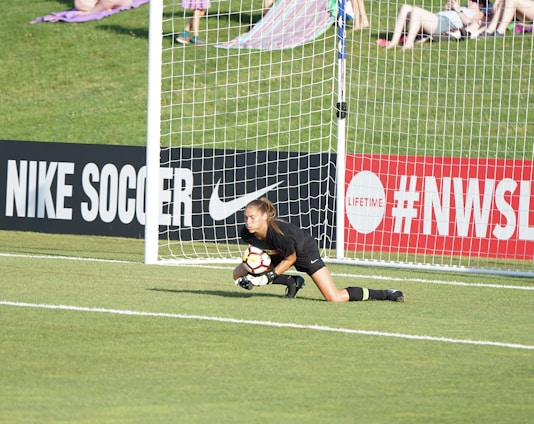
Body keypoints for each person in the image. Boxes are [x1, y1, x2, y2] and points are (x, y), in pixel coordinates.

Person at [233, 198, 405, 302]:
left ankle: (384, 294)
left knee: (334, 298)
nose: (248, 222)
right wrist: (252, 276)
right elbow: (260, 257)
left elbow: (291, 258)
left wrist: (268, 277)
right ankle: (291, 282)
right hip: (279, 254)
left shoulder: (280, 234)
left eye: (252, 218)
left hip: (303, 252)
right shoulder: (246, 233)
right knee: (238, 275)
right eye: (246, 218)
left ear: (264, 216)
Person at [380, 0, 486, 50]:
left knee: (416, 11)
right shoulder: (464, 7)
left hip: (442, 24)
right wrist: (449, 9)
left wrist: (458, 11)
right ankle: (394, 41)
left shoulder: (479, 13)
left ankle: (409, 44)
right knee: (405, 7)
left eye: (473, 0)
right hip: (437, 19)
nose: (469, 1)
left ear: (480, 4)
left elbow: (469, 23)